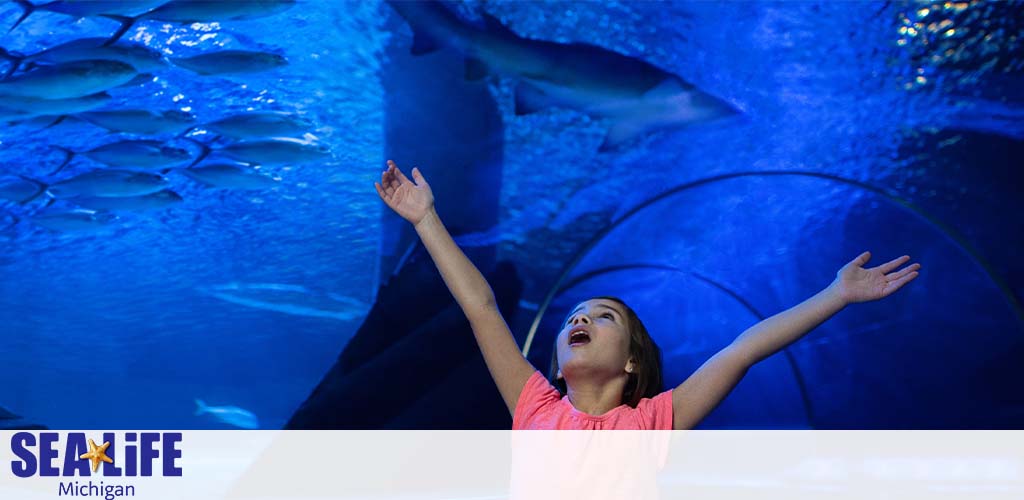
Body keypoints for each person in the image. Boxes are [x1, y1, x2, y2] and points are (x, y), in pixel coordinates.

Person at [375, 160, 921, 430]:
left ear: (633, 360)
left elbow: (744, 348)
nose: (579, 319)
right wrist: (426, 220)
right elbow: (481, 307)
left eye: (603, 316)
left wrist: (835, 294)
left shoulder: (653, 423)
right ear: (558, 367)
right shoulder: (534, 405)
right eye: (574, 317)